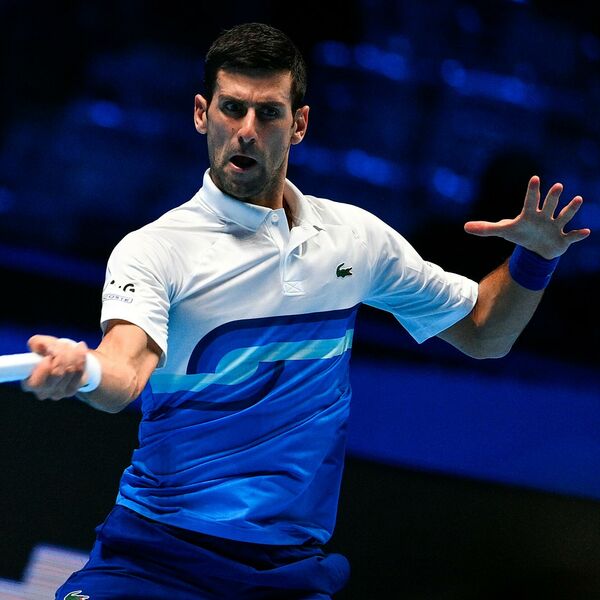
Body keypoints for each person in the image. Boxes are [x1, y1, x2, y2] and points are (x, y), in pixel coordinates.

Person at [22, 22, 590, 600]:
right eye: (231, 108)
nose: (246, 130)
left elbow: (486, 332)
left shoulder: (354, 240)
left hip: (285, 575)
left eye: (268, 113)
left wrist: (536, 258)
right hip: (155, 556)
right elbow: (124, 371)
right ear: (201, 114)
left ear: (298, 124)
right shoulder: (155, 250)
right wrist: (84, 369)